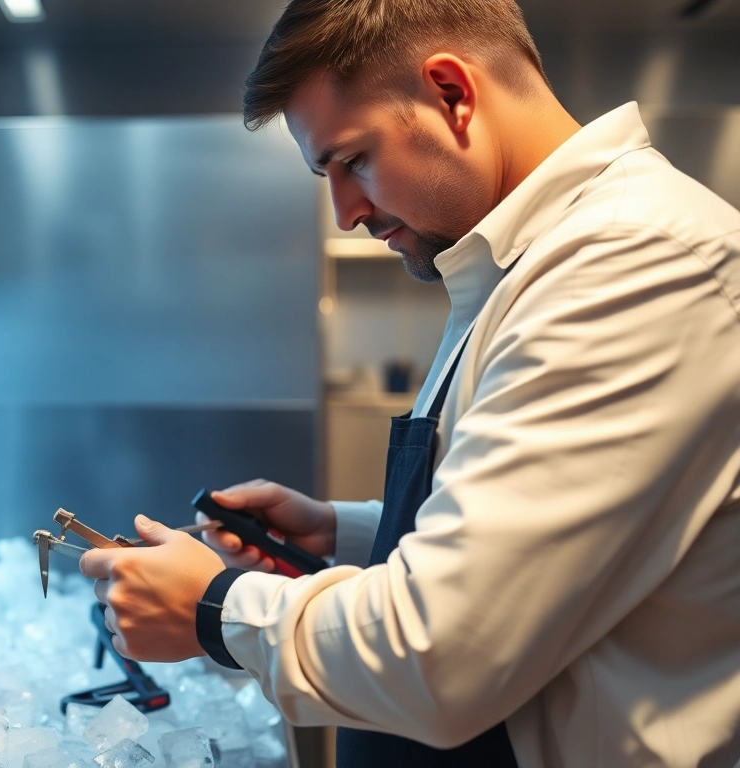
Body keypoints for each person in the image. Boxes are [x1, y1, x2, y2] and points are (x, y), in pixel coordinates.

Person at [77, 0, 740, 765]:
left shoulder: (637, 265)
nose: (345, 212)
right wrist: (346, 528)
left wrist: (214, 610)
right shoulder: (518, 264)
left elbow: (445, 654)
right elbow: (552, 526)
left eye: (354, 160)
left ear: (452, 94)